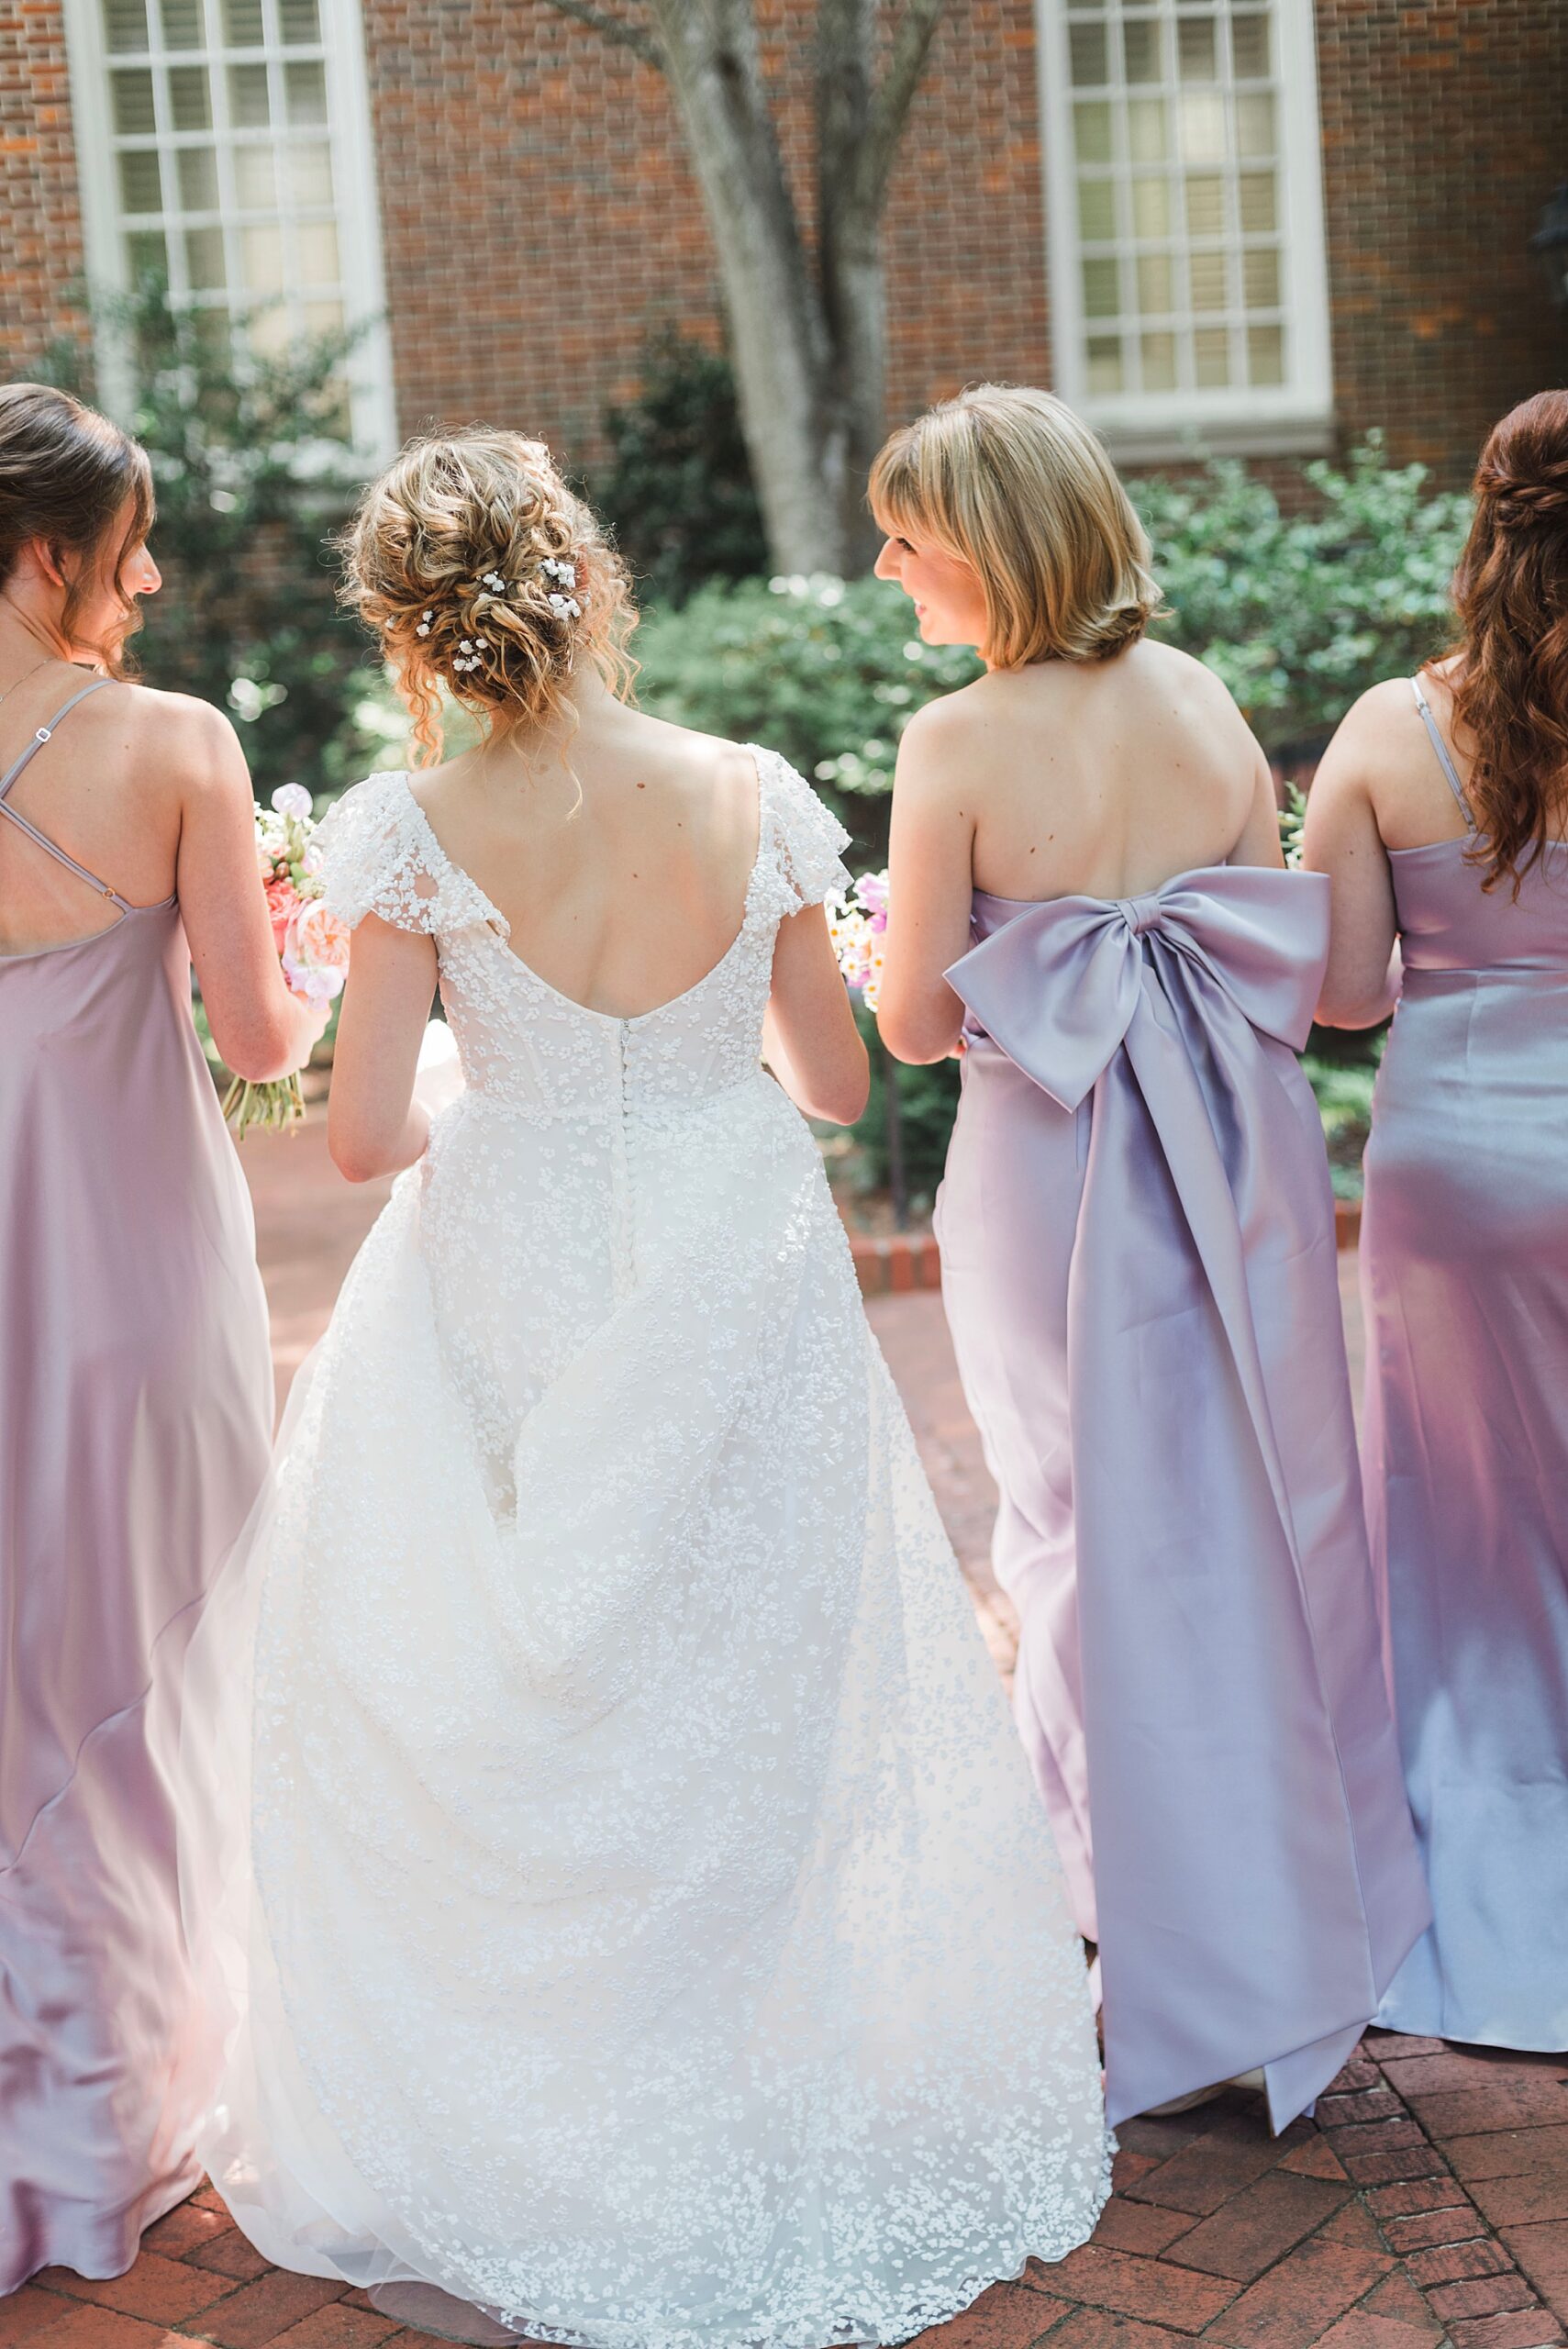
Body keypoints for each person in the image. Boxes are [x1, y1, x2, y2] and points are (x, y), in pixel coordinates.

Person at [175, 429, 1109, 2347]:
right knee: (732, 1664)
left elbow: (356, 1141)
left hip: (506, 1253)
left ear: (413, 624)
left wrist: (477, 1088)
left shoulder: (412, 821)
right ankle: (729, 2067)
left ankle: (549, 2090)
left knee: (514, 1681)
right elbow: (844, 1089)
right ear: (584, 576)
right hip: (727, 1252)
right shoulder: (745, 791)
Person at [873, 384, 1428, 2131]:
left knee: (1066, 1535)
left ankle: (1127, 1940)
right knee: (1254, 1522)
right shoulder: (1199, 704)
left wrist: (976, 965)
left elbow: (903, 1026)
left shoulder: (951, 746)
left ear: (990, 547)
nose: (885, 565)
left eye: (908, 537)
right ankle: (1280, 1940)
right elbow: (1277, 950)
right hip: (1229, 1151)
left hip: (1048, 1157)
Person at [0, 384, 324, 2293]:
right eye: (130, 554)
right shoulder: (173, 743)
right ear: (52, 555)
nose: (151, 583)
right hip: (129, 1259)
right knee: (137, 1652)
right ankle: (118, 2103)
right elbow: (265, 1043)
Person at [1305, 388, 1568, 2051]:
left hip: (1460, 1168)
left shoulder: (1393, 733)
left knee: (1472, 1521)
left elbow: (1337, 997)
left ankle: (1493, 1878)